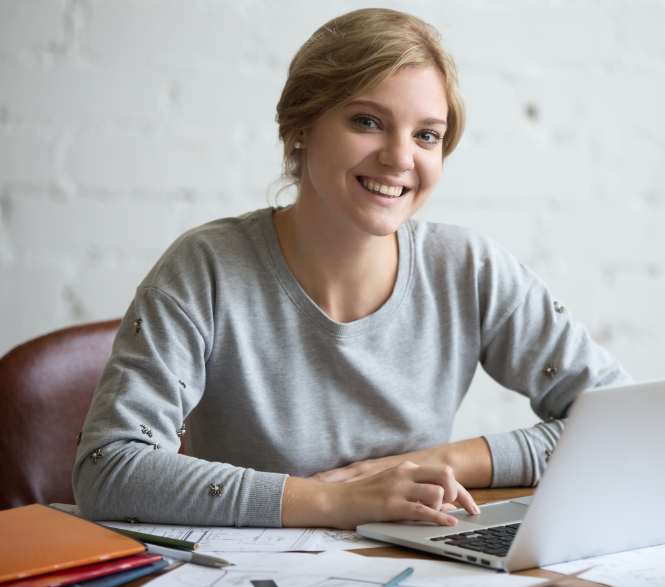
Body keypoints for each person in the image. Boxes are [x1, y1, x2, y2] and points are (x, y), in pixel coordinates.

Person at [72, 8, 631, 530]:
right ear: (301, 126)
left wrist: (442, 460)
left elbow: (621, 421)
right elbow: (108, 466)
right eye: (368, 121)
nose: (400, 157)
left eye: (427, 135)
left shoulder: (470, 268)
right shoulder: (206, 269)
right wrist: (334, 501)